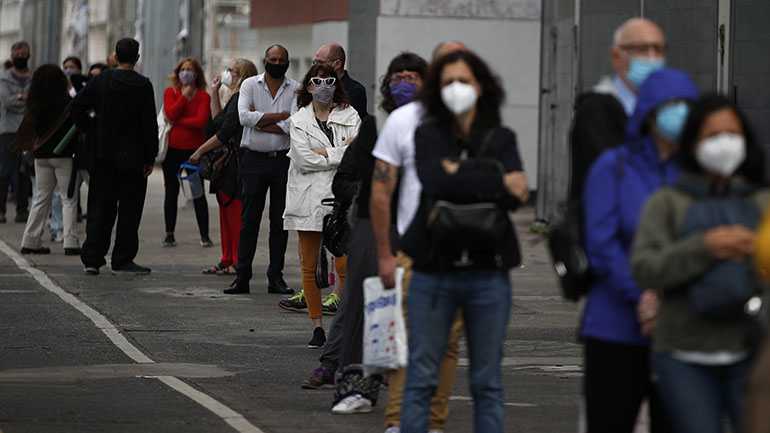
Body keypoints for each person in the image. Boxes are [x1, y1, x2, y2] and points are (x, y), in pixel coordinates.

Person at [398, 50, 528, 433]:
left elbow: (516, 194)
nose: (457, 89)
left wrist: (462, 174)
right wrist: (493, 178)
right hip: (432, 272)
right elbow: (436, 181)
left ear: (482, 86)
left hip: (489, 274)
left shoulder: (501, 137)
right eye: (448, 82)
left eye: (465, 81)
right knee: (421, 378)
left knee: (487, 383)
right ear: (437, 90)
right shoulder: (427, 134)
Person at [630, 95, 768, 433]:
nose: (724, 144)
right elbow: (646, 267)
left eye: (732, 134)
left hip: (749, 351)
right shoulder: (668, 202)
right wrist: (705, 247)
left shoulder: (759, 201)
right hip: (683, 355)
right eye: (713, 135)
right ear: (692, 143)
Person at [581, 67, 699, 433]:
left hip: (681, 329)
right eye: (669, 104)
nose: (677, 112)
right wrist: (642, 294)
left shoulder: (699, 174)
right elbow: (601, 242)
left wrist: (669, 295)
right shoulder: (613, 167)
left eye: (686, 105)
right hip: (614, 326)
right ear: (648, 110)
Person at [370, 41, 468, 433]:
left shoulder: (474, 120)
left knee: (447, 346)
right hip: (417, 253)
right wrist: (385, 254)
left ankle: (434, 423)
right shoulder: (404, 120)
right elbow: (381, 191)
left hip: (464, 253)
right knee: (409, 342)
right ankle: (399, 422)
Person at [322, 52, 428, 415]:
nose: (404, 83)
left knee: (417, 312)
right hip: (372, 222)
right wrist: (370, 194)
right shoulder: (376, 125)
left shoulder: (437, 129)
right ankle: (357, 386)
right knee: (362, 304)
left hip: (419, 227)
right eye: (398, 76)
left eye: (413, 76)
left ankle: (410, 393)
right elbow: (346, 179)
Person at [281, 63, 360, 348]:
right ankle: (317, 326)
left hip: (340, 198)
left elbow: (357, 155)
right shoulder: (299, 119)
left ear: (335, 84)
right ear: (309, 86)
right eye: (317, 80)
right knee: (309, 266)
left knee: (345, 263)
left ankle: (347, 323)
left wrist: (326, 152)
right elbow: (303, 159)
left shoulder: (351, 115)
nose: (323, 85)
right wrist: (339, 153)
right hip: (308, 197)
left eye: (329, 80)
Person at [70, 37, 158, 275]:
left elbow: (76, 106)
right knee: (130, 209)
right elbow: (149, 124)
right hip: (133, 156)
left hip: (103, 153)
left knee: (100, 206)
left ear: (115, 57)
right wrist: (150, 157)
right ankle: (123, 258)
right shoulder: (143, 85)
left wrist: (91, 129)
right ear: (137, 58)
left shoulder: (102, 80)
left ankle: (92, 257)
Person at [223, 44, 299, 295]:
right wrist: (280, 116)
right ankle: (242, 276)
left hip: (282, 160)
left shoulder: (296, 88)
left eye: (282, 60)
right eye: (273, 59)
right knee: (249, 220)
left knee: (279, 221)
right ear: (264, 61)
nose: (277, 63)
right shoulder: (249, 85)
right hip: (253, 160)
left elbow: (295, 125)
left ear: (287, 63)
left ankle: (275, 277)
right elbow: (244, 118)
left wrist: (262, 120)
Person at [570, 18, 666, 202]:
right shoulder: (595, 111)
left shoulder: (664, 110)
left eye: (658, 50)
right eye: (642, 50)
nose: (652, 57)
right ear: (616, 56)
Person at [190, 58, 258, 275]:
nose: (228, 74)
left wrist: (200, 150)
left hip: (236, 163)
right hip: (227, 165)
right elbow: (218, 120)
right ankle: (227, 258)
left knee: (235, 212)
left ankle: (236, 260)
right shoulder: (232, 97)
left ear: (243, 76)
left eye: (233, 71)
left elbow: (224, 132)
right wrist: (214, 92)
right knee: (225, 210)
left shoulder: (242, 98)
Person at [15, 65, 79, 255]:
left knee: (41, 197)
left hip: (41, 156)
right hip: (64, 155)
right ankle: (70, 241)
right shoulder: (67, 102)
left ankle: (30, 240)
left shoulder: (35, 104)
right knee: (68, 198)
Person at [161, 57, 212, 248]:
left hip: (194, 151)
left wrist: (177, 121)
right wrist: (183, 97)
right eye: (182, 69)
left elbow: (200, 122)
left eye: (190, 69)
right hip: (173, 149)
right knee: (171, 192)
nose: (185, 72)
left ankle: (204, 235)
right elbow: (171, 113)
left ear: (196, 74)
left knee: (197, 193)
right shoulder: (171, 92)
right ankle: (169, 234)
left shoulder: (204, 97)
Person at [0, 40, 32, 223]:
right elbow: (6, 102)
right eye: (17, 55)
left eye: (23, 55)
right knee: (5, 170)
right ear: (12, 57)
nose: (20, 58)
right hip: (8, 130)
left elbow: (34, 102)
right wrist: (23, 98)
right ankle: (1, 209)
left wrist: (17, 99)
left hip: (27, 130)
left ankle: (22, 209)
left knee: (24, 170)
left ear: (29, 56)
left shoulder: (33, 77)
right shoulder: (4, 78)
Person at [313, 43, 368, 119]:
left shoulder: (354, 91)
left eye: (321, 63)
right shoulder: (313, 86)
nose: (316, 67)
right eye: (315, 63)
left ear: (337, 64)